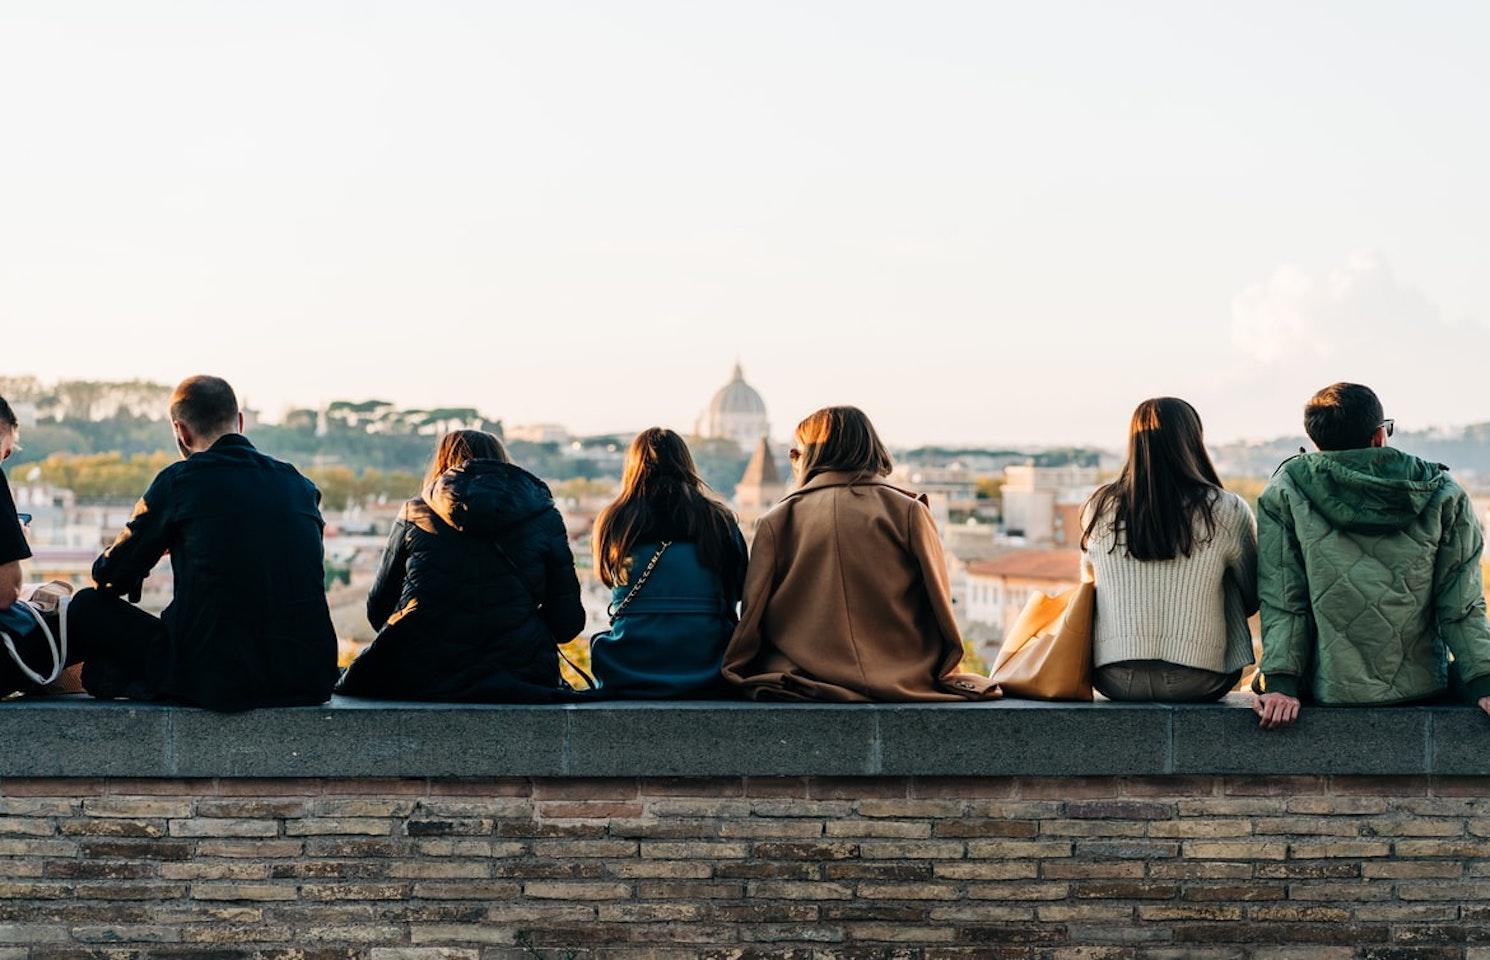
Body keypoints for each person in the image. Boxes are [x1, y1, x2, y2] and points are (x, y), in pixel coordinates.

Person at [68, 375, 340, 711]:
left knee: (83, 607)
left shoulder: (181, 481)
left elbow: (109, 575)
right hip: (309, 677)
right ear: (240, 422)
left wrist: (153, 548)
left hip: (218, 679)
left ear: (181, 431)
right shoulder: (299, 484)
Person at [1254, 383, 1490, 729]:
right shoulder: (1443, 492)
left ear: (1317, 444)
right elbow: (1461, 602)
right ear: (1379, 436)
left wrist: (1280, 683)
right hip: (1423, 685)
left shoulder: (1286, 491)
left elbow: (1284, 598)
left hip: (1327, 685)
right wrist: (1483, 681)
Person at [722, 405, 997, 702]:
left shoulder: (777, 520)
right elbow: (939, 607)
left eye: (795, 454)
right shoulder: (907, 512)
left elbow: (752, 616)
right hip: (904, 674)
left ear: (809, 457)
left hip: (802, 677)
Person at [335, 430, 585, 702]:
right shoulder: (543, 516)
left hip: (419, 674)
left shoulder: (414, 514)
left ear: (442, 462)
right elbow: (567, 623)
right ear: (503, 462)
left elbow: (378, 612)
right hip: (520, 675)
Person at [1081, 398, 1258, 702]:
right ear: (1193, 441)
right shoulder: (1226, 508)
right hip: (1199, 678)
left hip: (1112, 679)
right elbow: (1253, 595)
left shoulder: (1099, 506)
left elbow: (1087, 587)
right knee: (1225, 576)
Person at [586, 428, 747, 698]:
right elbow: (740, 587)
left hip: (630, 662)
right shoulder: (718, 519)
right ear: (686, 463)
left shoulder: (614, 519)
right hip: (708, 659)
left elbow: (606, 576)